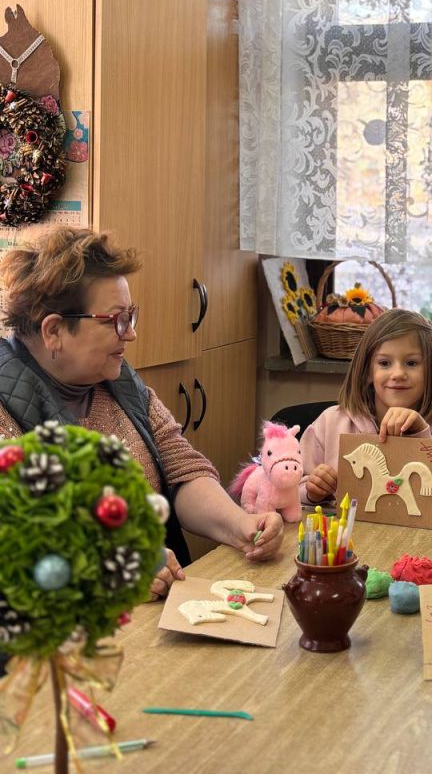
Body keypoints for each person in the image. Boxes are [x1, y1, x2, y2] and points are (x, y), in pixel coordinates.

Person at [0, 228, 283, 599]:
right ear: (54, 330)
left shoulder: (119, 382)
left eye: (131, 316)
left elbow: (182, 473)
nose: (130, 334)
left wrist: (240, 525)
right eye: (116, 320)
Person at [300, 309, 432, 515]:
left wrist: (420, 437)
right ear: (367, 371)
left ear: (431, 372)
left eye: (412, 363)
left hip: (414, 536)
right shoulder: (329, 423)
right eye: (384, 363)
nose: (398, 374)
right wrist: (312, 491)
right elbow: (287, 489)